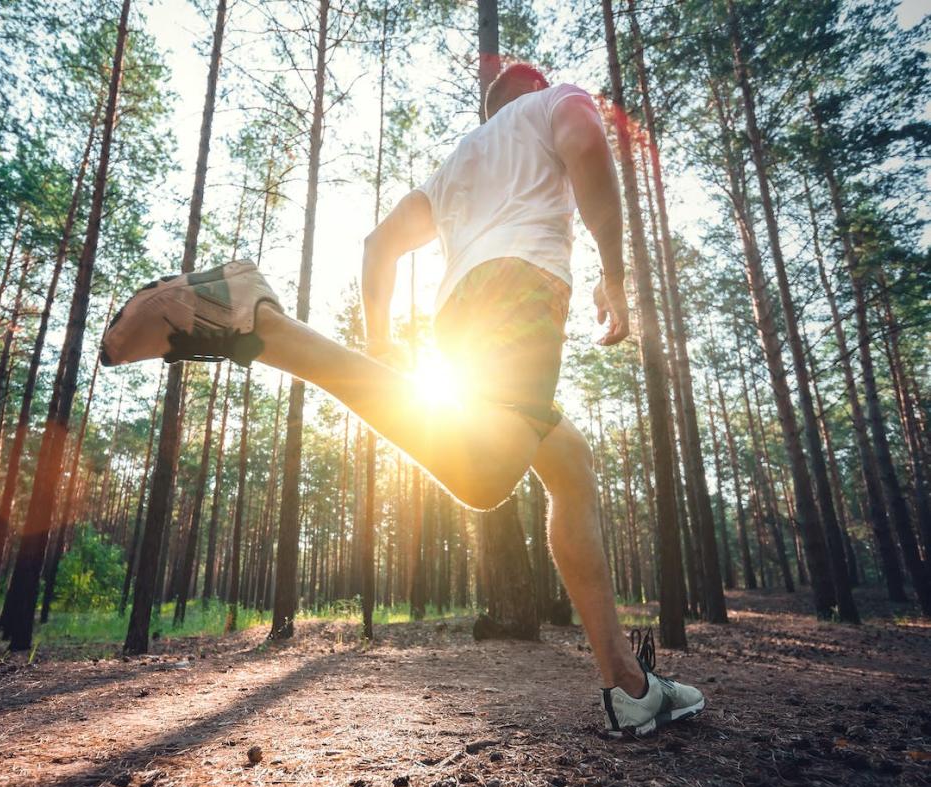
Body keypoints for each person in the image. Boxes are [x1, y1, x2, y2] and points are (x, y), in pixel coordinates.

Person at [101, 61, 704, 737]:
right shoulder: (555, 103)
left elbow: (378, 245)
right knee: (486, 472)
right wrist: (615, 278)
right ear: (534, 90)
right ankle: (265, 328)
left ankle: (628, 684)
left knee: (569, 460)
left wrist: (382, 347)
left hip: (461, 317)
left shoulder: (463, 160)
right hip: (522, 290)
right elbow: (588, 143)